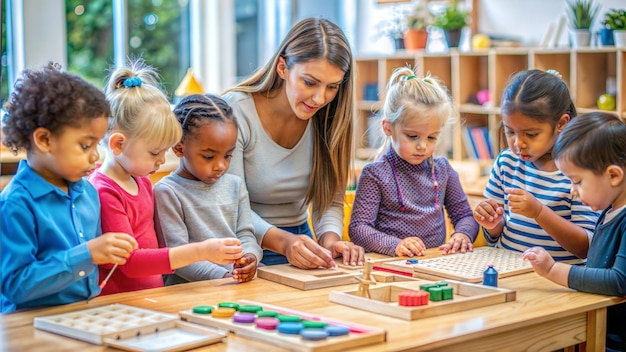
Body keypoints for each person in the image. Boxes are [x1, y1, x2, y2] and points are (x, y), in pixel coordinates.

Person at [89, 61, 245, 295]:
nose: (162, 160)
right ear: (118, 144)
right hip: (122, 304)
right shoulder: (105, 192)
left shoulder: (140, 179)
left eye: (165, 151)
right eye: (155, 152)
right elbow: (130, 263)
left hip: (152, 298)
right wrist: (200, 251)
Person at [222, 17, 364, 268]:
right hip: (241, 247)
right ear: (282, 68)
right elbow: (230, 205)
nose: (320, 98)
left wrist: (330, 241)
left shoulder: (331, 118)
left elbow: (330, 200)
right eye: (309, 82)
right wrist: (284, 243)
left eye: (333, 87)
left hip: (300, 244)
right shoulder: (235, 111)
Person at [0, 63, 138, 312]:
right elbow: (15, 285)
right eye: (85, 146)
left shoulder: (89, 193)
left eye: (98, 145)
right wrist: (87, 255)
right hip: (28, 324)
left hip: (83, 314)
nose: (95, 157)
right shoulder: (15, 204)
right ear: (44, 140)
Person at [522, 112, 626, 351]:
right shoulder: (609, 209)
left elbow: (619, 281)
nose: (572, 191)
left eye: (577, 181)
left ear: (613, 175)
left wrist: (552, 270)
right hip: (593, 329)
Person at [349, 67, 478, 257]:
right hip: (390, 264)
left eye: (432, 137)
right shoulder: (375, 174)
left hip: (434, 262)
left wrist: (462, 234)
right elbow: (359, 229)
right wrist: (395, 245)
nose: (423, 146)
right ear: (388, 127)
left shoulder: (443, 170)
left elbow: (465, 216)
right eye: (412, 136)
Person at [474, 69, 598, 261]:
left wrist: (539, 212)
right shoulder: (506, 162)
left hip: (558, 281)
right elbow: (495, 236)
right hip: (508, 268)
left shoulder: (580, 171)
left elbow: (586, 247)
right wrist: (492, 224)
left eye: (531, 134)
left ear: (561, 123)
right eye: (510, 132)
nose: (518, 143)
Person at [154, 94, 262, 284]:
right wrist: (223, 277)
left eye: (228, 155)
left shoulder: (235, 185)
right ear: (179, 148)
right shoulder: (167, 192)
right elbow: (177, 256)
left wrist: (250, 257)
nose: (220, 165)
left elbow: (245, 234)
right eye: (209, 157)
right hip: (193, 291)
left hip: (235, 284)